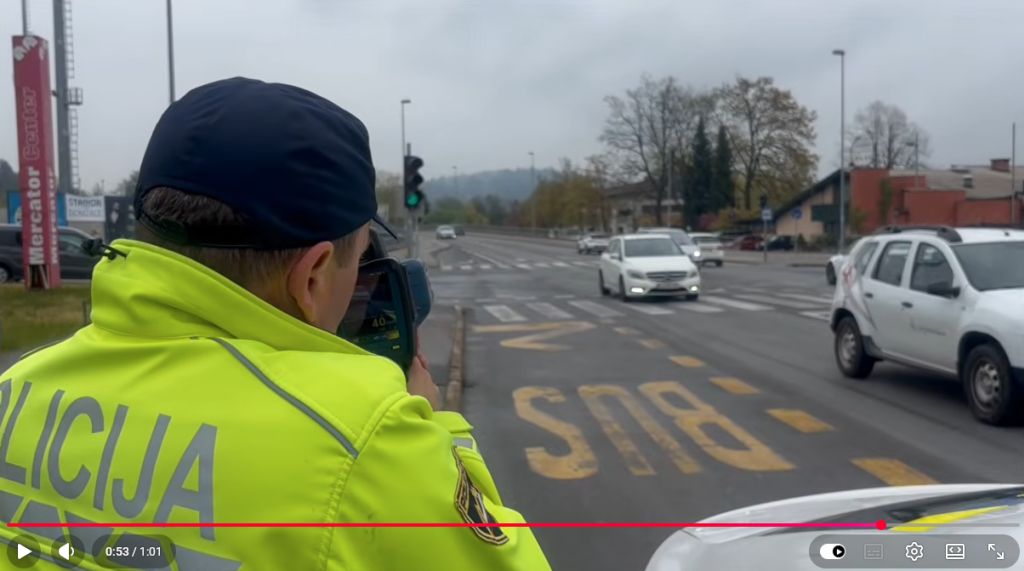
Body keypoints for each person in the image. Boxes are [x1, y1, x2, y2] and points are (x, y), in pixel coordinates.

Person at [0, 77, 550, 570]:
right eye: (357, 261)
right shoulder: (364, 441)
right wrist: (440, 425)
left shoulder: (15, 389)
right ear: (311, 278)